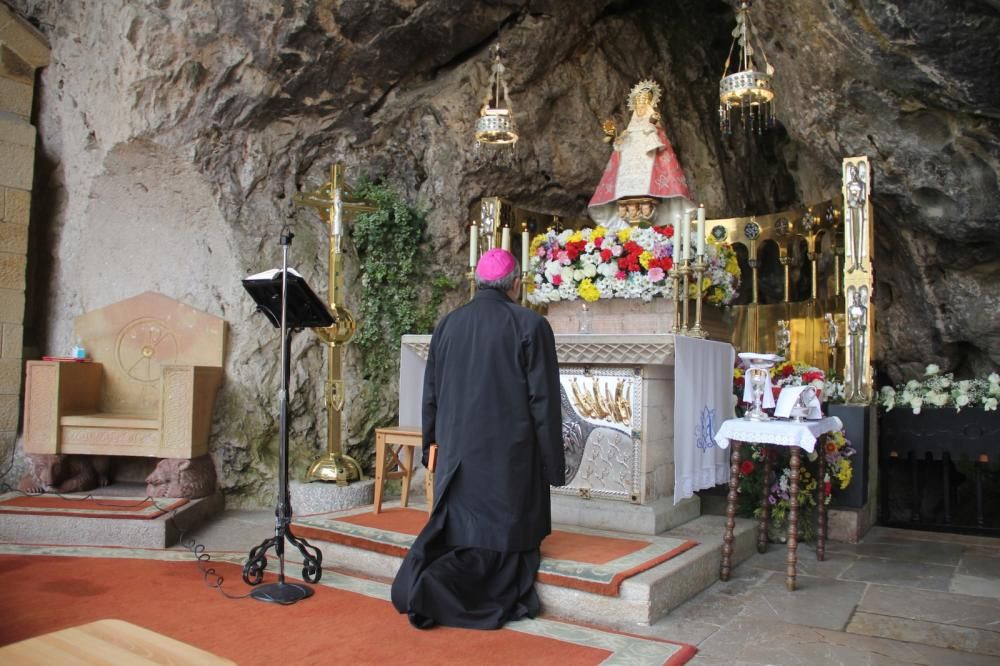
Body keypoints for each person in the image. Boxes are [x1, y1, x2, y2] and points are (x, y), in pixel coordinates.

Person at [391, 248, 566, 630]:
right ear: (516, 284)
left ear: (479, 281)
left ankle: (429, 580)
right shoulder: (531, 326)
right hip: (510, 460)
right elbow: (545, 402)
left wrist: (431, 450)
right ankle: (436, 589)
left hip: (459, 457)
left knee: (464, 533)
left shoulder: (448, 324)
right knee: (501, 543)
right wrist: (554, 465)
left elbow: (430, 393)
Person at [589, 79, 692, 231]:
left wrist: (652, 124)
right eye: (638, 104)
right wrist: (613, 135)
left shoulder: (652, 128)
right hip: (628, 177)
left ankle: (646, 217)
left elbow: (660, 148)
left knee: (646, 199)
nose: (641, 108)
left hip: (647, 174)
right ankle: (629, 213)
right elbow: (618, 148)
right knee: (627, 199)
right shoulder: (628, 132)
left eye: (644, 104)